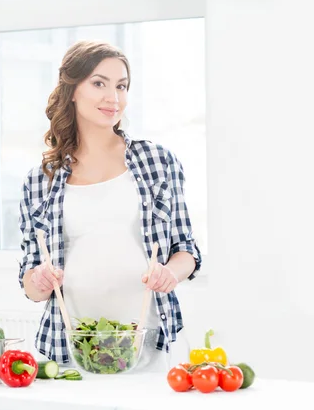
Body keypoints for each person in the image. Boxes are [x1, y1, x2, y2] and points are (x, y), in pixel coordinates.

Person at [17, 40, 202, 371]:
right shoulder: (39, 180)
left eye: (122, 86)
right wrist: (40, 280)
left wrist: (170, 274)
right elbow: (31, 283)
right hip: (70, 349)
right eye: (99, 83)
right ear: (72, 90)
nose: (113, 97)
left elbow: (187, 251)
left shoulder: (157, 162)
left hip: (149, 344)